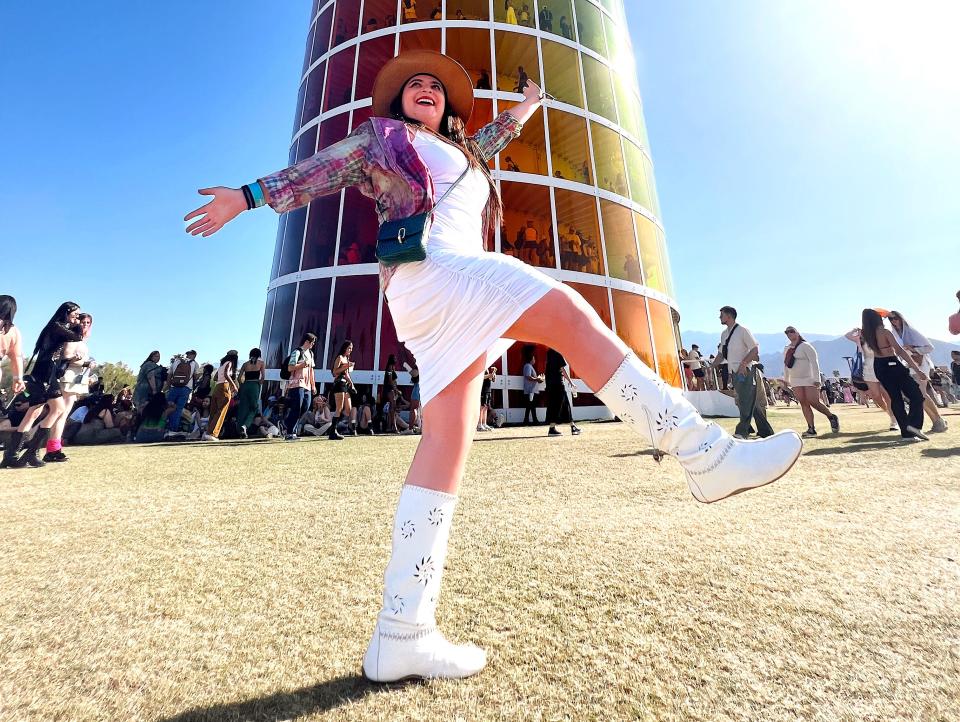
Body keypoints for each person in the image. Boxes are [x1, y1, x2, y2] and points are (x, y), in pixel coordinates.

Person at [184, 50, 801, 683]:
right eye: (413, 85)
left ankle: (402, 633)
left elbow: (492, 136)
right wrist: (249, 196)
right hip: (433, 272)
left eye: (434, 87)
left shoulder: (465, 152)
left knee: (448, 438)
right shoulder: (383, 139)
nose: (424, 88)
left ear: (447, 106)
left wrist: (529, 107)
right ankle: (701, 451)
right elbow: (321, 171)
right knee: (566, 311)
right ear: (396, 103)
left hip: (437, 292)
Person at [2, 302, 84, 468]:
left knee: (35, 411)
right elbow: (77, 337)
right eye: (75, 315)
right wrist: (79, 326)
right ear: (66, 312)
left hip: (45, 370)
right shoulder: (57, 326)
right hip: (46, 372)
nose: (77, 318)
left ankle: (14, 454)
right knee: (56, 409)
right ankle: (30, 452)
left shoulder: (57, 326)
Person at [860, 309, 929, 440]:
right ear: (877, 319)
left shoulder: (866, 334)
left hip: (879, 366)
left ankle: (906, 432)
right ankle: (914, 425)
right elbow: (900, 351)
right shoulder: (885, 332)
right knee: (916, 395)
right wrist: (917, 369)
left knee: (895, 398)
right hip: (892, 364)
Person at [713, 306, 774, 439]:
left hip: (745, 370)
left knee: (745, 401)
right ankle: (765, 431)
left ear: (729, 316)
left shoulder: (743, 330)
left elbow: (754, 350)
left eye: (721, 315)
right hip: (734, 371)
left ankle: (742, 431)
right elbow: (721, 354)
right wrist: (712, 365)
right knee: (749, 401)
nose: (719, 317)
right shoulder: (724, 334)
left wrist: (743, 364)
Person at [46, 312, 97, 461]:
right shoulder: (72, 336)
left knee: (62, 414)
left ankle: (53, 447)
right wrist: (86, 363)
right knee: (60, 414)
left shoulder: (80, 339)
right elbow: (67, 356)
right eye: (83, 321)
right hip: (68, 378)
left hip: (76, 379)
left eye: (88, 322)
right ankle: (53, 449)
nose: (85, 324)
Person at [887, 311, 947, 433]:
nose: (893, 321)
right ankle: (937, 421)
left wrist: (913, 349)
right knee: (918, 396)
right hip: (909, 365)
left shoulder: (911, 332)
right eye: (890, 319)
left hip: (920, 364)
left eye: (895, 318)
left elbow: (929, 347)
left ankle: (939, 420)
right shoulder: (895, 334)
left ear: (901, 318)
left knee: (921, 394)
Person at [782, 327, 839, 438]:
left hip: (809, 378)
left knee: (814, 401)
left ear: (797, 333)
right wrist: (786, 379)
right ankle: (811, 428)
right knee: (803, 402)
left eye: (791, 331)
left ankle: (831, 417)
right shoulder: (787, 348)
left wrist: (817, 379)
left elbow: (814, 363)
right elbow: (786, 364)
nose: (789, 334)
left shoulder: (806, 346)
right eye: (787, 332)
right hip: (795, 379)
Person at [844, 328, 898, 431]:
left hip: (882, 367)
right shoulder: (861, 340)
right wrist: (856, 330)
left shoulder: (880, 338)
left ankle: (894, 420)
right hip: (868, 369)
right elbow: (847, 335)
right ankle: (890, 414)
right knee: (876, 396)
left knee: (887, 395)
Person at [544, 348, 580, 436]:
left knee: (560, 405)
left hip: (550, 384)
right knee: (562, 405)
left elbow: (548, 369)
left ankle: (572, 426)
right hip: (558, 384)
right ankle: (552, 429)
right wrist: (571, 382)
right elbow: (562, 369)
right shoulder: (558, 353)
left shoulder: (549, 353)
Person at [207, 351, 239, 440]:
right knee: (221, 411)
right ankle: (213, 433)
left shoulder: (221, 366)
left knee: (213, 411)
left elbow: (215, 378)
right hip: (224, 387)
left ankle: (208, 432)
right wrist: (233, 385)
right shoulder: (230, 363)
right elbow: (226, 374)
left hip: (217, 387)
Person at [165, 350, 199, 433]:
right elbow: (196, 377)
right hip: (186, 388)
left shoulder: (176, 362)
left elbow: (169, 375)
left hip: (174, 387)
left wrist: (169, 387)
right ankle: (173, 430)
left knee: (167, 408)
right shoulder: (194, 364)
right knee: (178, 409)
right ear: (194, 355)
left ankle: (163, 428)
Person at [329, 340, 355, 441]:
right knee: (339, 408)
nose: (350, 350)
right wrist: (346, 366)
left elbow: (346, 374)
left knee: (348, 409)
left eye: (351, 349)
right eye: (349, 348)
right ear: (345, 348)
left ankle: (338, 425)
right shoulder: (340, 357)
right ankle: (333, 431)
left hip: (345, 384)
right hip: (339, 383)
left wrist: (351, 383)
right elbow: (334, 372)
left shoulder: (346, 358)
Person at [236, 348, 265, 437]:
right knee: (254, 408)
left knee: (243, 408)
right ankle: (245, 425)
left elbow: (239, 378)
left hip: (245, 385)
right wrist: (258, 383)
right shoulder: (261, 363)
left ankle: (239, 430)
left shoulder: (245, 364)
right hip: (254, 385)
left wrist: (242, 386)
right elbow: (263, 377)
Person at [521, 345, 543, 425]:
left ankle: (527, 421)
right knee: (531, 406)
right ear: (531, 359)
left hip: (532, 390)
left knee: (530, 406)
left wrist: (538, 379)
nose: (535, 360)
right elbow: (528, 376)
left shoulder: (529, 366)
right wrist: (537, 379)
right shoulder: (528, 366)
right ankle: (533, 421)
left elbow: (531, 377)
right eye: (534, 358)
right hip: (530, 390)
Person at [382, 354, 401, 433]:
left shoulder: (393, 367)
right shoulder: (389, 367)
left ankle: (390, 426)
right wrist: (396, 389)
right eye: (394, 358)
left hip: (391, 389)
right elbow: (390, 380)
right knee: (393, 407)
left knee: (392, 408)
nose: (396, 359)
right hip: (389, 389)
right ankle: (394, 426)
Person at [477, 366, 495, 432]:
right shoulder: (482, 367)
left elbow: (491, 379)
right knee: (481, 407)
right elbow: (481, 377)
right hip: (483, 389)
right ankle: (479, 424)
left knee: (486, 407)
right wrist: (489, 375)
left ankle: (484, 424)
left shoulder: (489, 367)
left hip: (488, 389)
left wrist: (493, 376)